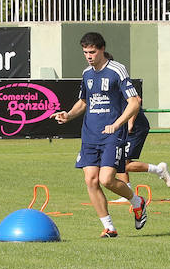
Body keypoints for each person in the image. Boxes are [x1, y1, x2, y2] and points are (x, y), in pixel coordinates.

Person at [53, 32, 149, 238]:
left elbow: (134, 102)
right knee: (91, 181)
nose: (89, 56)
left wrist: (117, 124)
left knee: (106, 180)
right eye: (85, 52)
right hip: (90, 135)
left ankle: (137, 202)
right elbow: (84, 102)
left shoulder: (117, 70)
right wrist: (68, 115)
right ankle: (109, 227)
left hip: (112, 135)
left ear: (102, 49)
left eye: (92, 52)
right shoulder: (87, 74)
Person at [106, 56, 170, 198]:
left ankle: (159, 170)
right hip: (123, 128)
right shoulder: (106, 82)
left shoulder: (118, 78)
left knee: (123, 164)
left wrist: (130, 123)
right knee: (119, 162)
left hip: (136, 127)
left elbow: (137, 100)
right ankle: (126, 194)